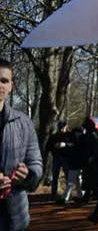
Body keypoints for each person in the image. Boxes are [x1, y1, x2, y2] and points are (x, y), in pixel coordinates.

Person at [0, 59, 43, 231]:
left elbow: (36, 163)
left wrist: (28, 174)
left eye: (4, 80)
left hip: (14, 216)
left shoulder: (23, 122)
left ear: (11, 85)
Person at [46, 120, 71, 201]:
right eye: (61, 127)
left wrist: (65, 145)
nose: (62, 129)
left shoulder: (69, 136)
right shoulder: (53, 137)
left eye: (63, 127)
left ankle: (67, 193)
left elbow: (73, 146)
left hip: (66, 158)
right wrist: (54, 146)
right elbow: (47, 147)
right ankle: (53, 194)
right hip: (56, 158)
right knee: (55, 177)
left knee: (68, 176)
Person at [80, 117, 98, 204]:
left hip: (89, 159)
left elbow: (84, 148)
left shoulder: (89, 135)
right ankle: (94, 194)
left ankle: (88, 195)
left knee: (88, 178)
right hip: (96, 159)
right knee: (94, 178)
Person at [60, 126, 86, 203]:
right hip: (77, 162)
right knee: (77, 180)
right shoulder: (79, 140)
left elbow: (75, 147)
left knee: (71, 181)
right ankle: (80, 195)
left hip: (76, 162)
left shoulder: (80, 140)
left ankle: (65, 197)